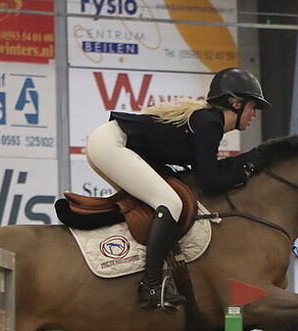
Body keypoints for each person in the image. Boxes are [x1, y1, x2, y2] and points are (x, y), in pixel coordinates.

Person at [85, 67, 271, 310]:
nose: (254, 114)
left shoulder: (208, 122)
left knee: (153, 203)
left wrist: (239, 168)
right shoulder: (210, 124)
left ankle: (129, 265)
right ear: (235, 103)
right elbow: (210, 182)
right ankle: (151, 285)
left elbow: (204, 172)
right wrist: (244, 173)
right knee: (171, 203)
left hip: (107, 143)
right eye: (253, 107)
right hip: (111, 145)